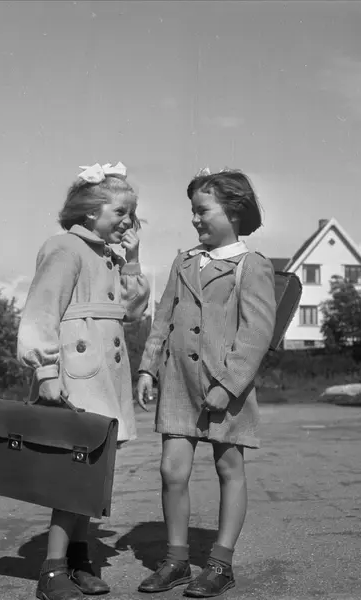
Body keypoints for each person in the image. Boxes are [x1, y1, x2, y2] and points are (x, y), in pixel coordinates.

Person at [136, 168, 276, 598]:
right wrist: (147, 367)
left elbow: (256, 333)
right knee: (171, 469)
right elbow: (162, 318)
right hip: (179, 383)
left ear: (234, 210)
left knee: (228, 468)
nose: (195, 218)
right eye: (192, 211)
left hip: (225, 386)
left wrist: (228, 385)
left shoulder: (252, 265)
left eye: (203, 210)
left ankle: (220, 564)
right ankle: (177, 560)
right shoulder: (184, 262)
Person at [17, 162, 150, 600]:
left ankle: (78, 559)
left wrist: (132, 261)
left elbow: (132, 312)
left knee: (93, 472)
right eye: (120, 211)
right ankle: (53, 571)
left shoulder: (109, 257)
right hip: (76, 376)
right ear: (91, 211)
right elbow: (41, 310)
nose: (128, 221)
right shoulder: (65, 248)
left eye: (132, 213)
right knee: (73, 474)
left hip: (106, 378)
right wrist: (45, 370)